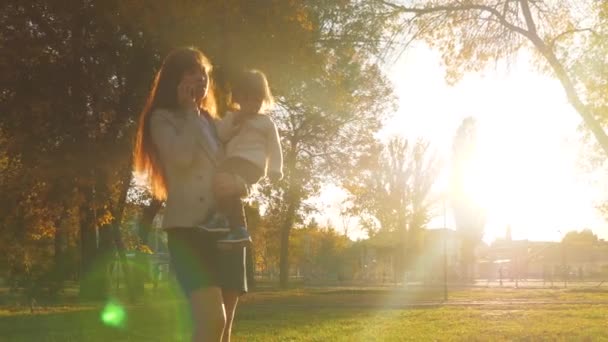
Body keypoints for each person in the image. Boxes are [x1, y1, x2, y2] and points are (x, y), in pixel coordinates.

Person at [134, 47, 248, 342]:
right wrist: (188, 112)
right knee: (212, 321)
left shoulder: (211, 122)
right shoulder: (163, 119)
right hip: (189, 231)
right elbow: (181, 159)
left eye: (204, 74)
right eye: (191, 72)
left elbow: (232, 163)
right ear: (175, 78)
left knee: (225, 329)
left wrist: (240, 181)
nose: (200, 79)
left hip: (225, 229)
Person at [212, 69, 283, 245]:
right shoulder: (231, 117)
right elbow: (221, 135)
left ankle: (232, 223)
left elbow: (275, 147)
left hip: (252, 165)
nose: (254, 104)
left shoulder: (266, 122)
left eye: (258, 100)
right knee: (225, 186)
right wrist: (235, 122)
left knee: (224, 180)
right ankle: (233, 226)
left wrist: (275, 170)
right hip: (232, 162)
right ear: (240, 99)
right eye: (249, 98)